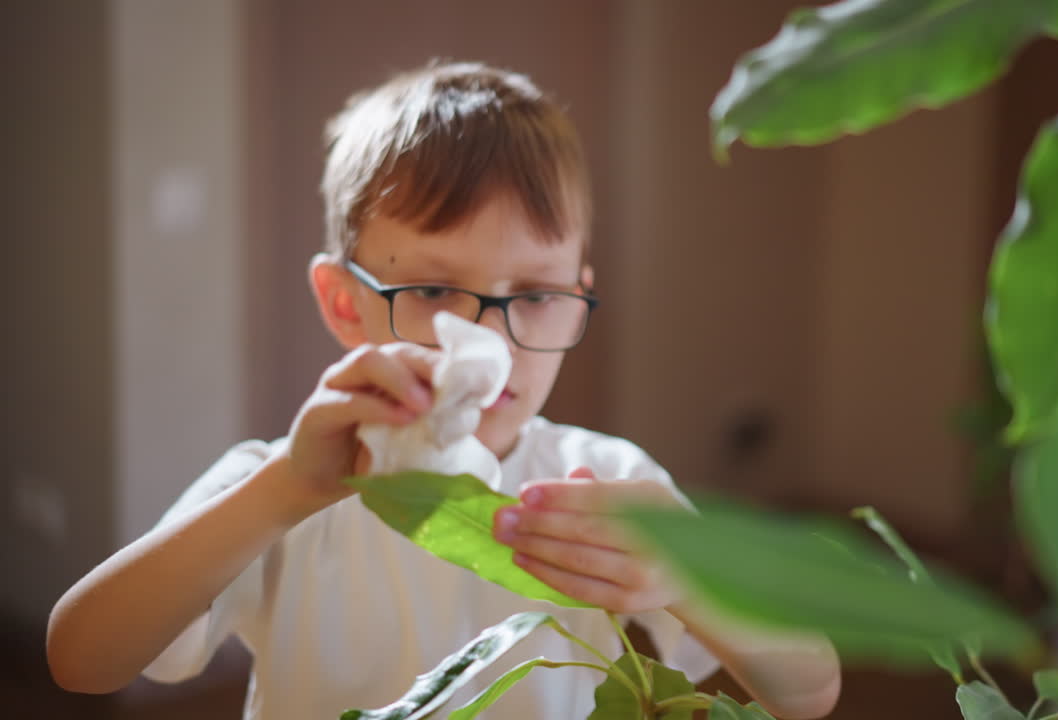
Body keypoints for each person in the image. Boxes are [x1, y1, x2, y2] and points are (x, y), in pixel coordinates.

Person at [46, 60, 840, 720]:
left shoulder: (606, 483)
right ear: (343, 304)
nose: (485, 340)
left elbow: (811, 688)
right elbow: (81, 659)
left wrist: (689, 575)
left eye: (532, 294)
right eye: (430, 290)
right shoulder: (285, 487)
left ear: (576, 299)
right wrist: (283, 491)